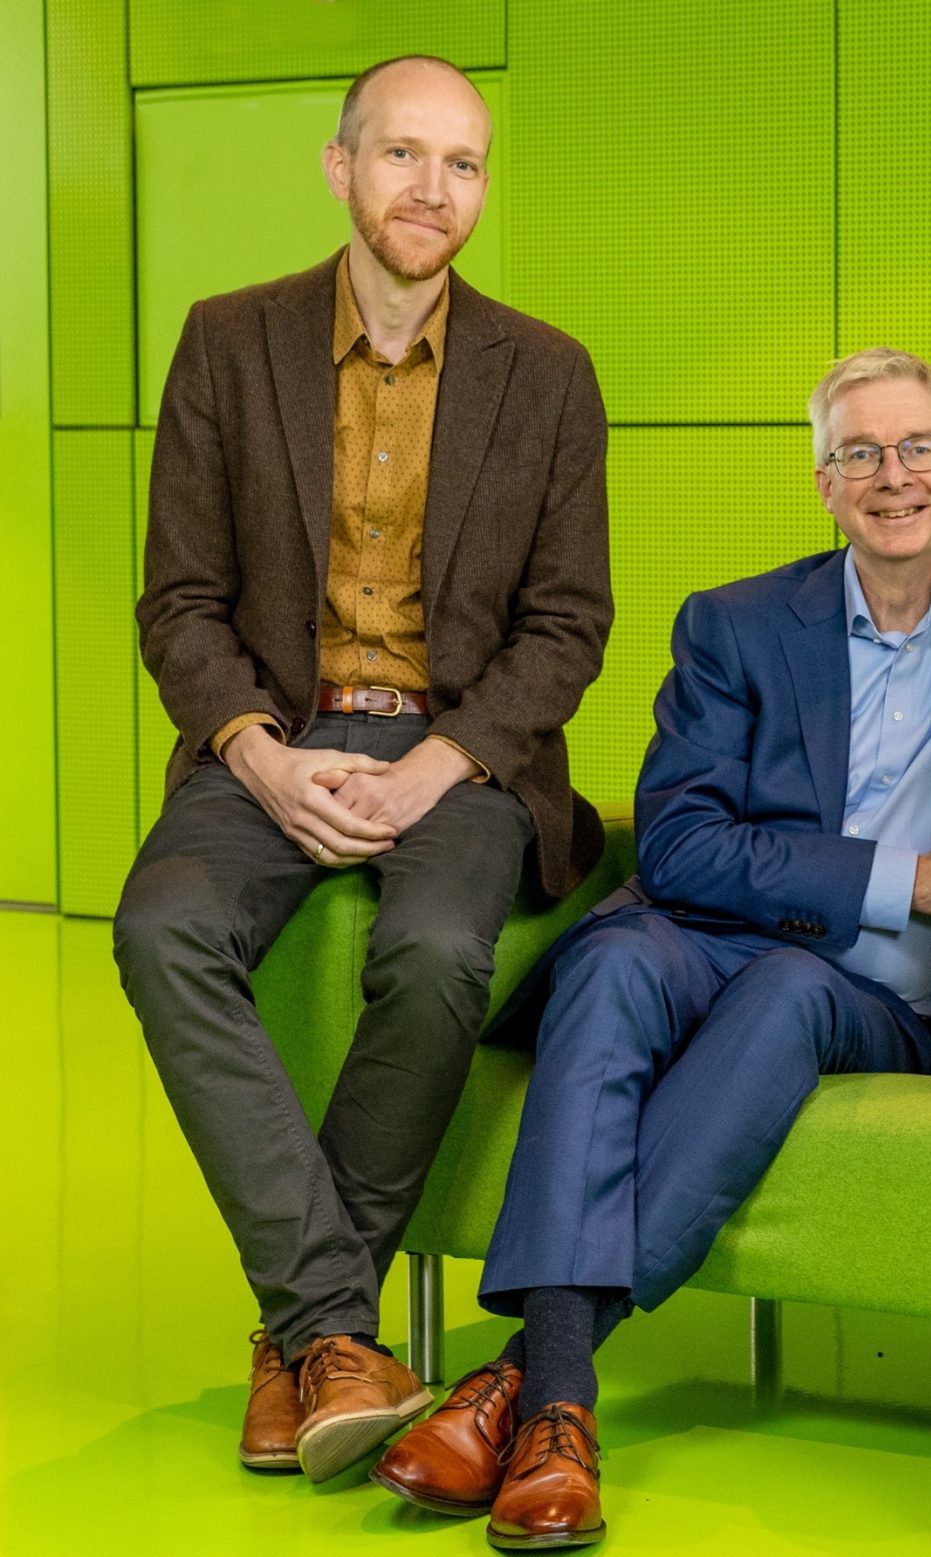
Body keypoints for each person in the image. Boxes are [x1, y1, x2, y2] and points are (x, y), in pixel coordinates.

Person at [370, 350, 931, 1551]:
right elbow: (685, 841)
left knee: (792, 992)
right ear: (822, 483)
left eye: (917, 449)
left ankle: (527, 1384)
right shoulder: (738, 624)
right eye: (859, 453)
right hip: (707, 940)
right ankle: (557, 1409)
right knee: (608, 961)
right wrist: (901, 879)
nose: (891, 476)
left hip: (885, 1001)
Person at [113, 54, 612, 1484]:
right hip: (275, 729)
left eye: (462, 164)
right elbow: (181, 601)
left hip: (460, 754)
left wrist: (436, 765)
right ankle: (336, 1321)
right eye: (403, 156)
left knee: (442, 950)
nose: (432, 191)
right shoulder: (226, 341)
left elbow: (568, 625)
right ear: (341, 168)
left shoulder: (550, 372)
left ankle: (301, 1344)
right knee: (160, 931)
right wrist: (263, 759)